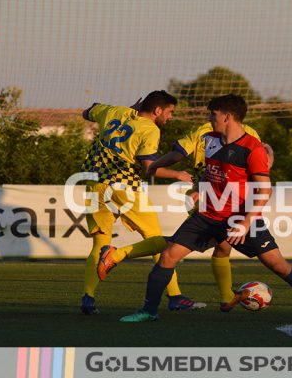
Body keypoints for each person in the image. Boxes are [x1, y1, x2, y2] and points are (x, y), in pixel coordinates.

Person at [119, 94, 292, 323]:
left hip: (239, 219)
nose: (210, 118)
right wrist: (156, 166)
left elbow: (264, 190)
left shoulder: (252, 149)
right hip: (208, 215)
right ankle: (149, 311)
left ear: (227, 116)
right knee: (168, 256)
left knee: (279, 266)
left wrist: (246, 223)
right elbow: (195, 165)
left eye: (213, 114)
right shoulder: (210, 140)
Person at [97, 121, 273, 309]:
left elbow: (179, 151)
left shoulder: (199, 131)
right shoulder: (246, 132)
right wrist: (270, 153)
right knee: (182, 243)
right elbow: (264, 165)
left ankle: (225, 297)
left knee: (222, 245)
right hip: (212, 196)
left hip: (210, 193)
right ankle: (117, 254)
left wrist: (162, 166)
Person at [79, 90, 204, 314]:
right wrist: (178, 175)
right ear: (157, 110)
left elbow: (86, 112)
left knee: (99, 244)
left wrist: (127, 112)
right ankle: (174, 296)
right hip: (125, 188)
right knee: (158, 240)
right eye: (170, 112)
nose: (170, 117)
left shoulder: (113, 111)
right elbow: (149, 168)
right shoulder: (150, 130)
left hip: (95, 185)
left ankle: (88, 297)